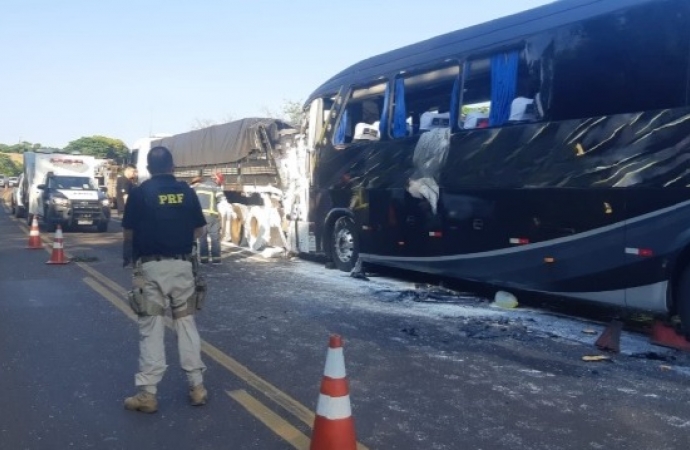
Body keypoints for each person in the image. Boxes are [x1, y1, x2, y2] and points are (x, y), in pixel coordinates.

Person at [121, 146, 208, 413]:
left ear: (148, 169)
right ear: (173, 166)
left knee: (151, 329)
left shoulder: (139, 193)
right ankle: (197, 387)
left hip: (151, 269)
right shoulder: (187, 192)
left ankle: (148, 394)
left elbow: (128, 234)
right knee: (185, 324)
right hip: (182, 268)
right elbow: (199, 230)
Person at [193, 172, 228, 263]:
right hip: (212, 217)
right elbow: (223, 202)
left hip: (200, 217)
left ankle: (204, 260)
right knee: (215, 238)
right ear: (217, 180)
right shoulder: (216, 188)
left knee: (202, 238)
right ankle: (216, 260)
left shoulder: (198, 187)